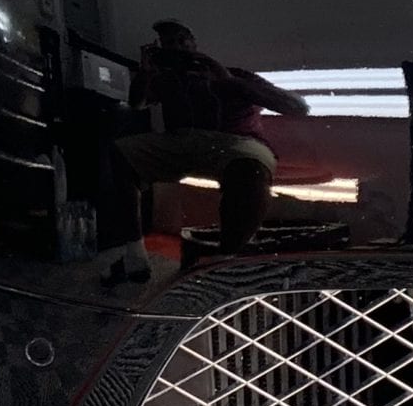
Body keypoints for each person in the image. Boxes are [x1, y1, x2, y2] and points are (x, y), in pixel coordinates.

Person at [115, 20, 307, 250]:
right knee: (119, 153)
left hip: (238, 141)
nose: (177, 48)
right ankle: (132, 252)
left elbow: (297, 107)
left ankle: (230, 254)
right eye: (169, 44)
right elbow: (136, 104)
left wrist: (229, 81)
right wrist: (144, 74)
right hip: (181, 141)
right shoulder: (166, 80)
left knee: (251, 168)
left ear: (195, 44)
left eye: (181, 40)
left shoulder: (235, 74)